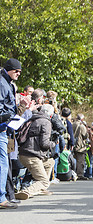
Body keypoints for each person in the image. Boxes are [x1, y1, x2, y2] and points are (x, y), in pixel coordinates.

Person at [15, 104, 56, 200]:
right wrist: (53, 144)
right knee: (44, 181)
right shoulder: (46, 122)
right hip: (32, 155)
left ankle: (40, 189)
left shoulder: (32, 119)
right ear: (50, 115)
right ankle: (26, 191)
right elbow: (44, 143)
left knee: (50, 162)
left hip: (23, 153)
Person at [0, 58, 22, 209]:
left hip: (4, 128)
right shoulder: (2, 83)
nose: (18, 73)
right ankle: (1, 197)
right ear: (9, 69)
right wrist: (7, 119)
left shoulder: (7, 83)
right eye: (16, 70)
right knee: (3, 163)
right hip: (1, 128)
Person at [73, 113, 89, 180]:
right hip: (80, 146)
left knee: (74, 160)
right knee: (81, 161)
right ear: (82, 119)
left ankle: (73, 173)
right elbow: (85, 135)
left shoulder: (73, 124)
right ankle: (79, 174)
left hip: (73, 144)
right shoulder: (81, 126)